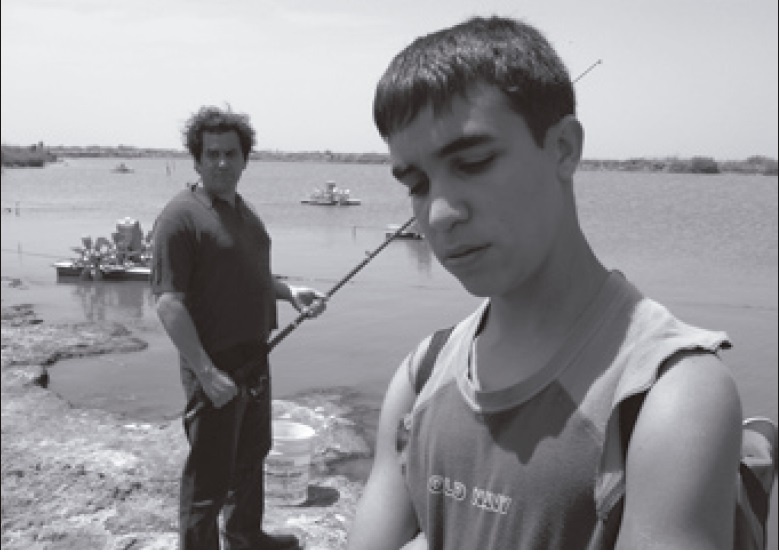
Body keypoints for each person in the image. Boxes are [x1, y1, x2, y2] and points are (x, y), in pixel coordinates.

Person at [348, 16, 745, 549]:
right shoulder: (422, 376)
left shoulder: (668, 395)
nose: (439, 214)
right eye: (416, 185)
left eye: (474, 162)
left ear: (562, 148)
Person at [151, 105, 325, 549]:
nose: (222, 163)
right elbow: (169, 304)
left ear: (245, 159)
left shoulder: (244, 213)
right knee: (209, 474)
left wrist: (288, 292)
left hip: (255, 356)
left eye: (231, 153)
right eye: (212, 154)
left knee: (252, 455)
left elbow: (247, 276)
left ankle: (246, 535)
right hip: (213, 364)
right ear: (196, 160)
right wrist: (206, 373)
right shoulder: (180, 217)